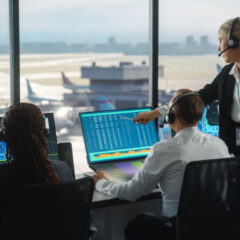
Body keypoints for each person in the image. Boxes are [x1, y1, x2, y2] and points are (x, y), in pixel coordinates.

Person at [92, 89, 231, 239]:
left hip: (177, 229)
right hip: (216, 228)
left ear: (171, 117)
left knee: (134, 228)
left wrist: (101, 183)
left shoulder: (163, 149)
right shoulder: (219, 145)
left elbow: (131, 192)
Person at [133, 17, 240, 156]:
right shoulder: (227, 74)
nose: (219, 48)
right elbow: (193, 98)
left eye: (221, 41)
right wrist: (154, 113)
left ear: (233, 42)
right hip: (231, 156)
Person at [0, 102, 73, 228]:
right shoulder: (63, 170)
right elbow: (83, 218)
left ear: (5, 138)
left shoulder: (3, 177)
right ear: (44, 135)